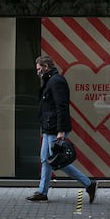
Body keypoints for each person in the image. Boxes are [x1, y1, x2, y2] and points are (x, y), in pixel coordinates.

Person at [27, 55, 98, 203]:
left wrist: (61, 130)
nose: (38, 72)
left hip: (54, 128)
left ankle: (89, 184)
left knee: (57, 161)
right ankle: (42, 192)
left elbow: (62, 107)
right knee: (45, 160)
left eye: (39, 69)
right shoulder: (50, 81)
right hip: (49, 127)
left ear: (46, 67)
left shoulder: (56, 81)